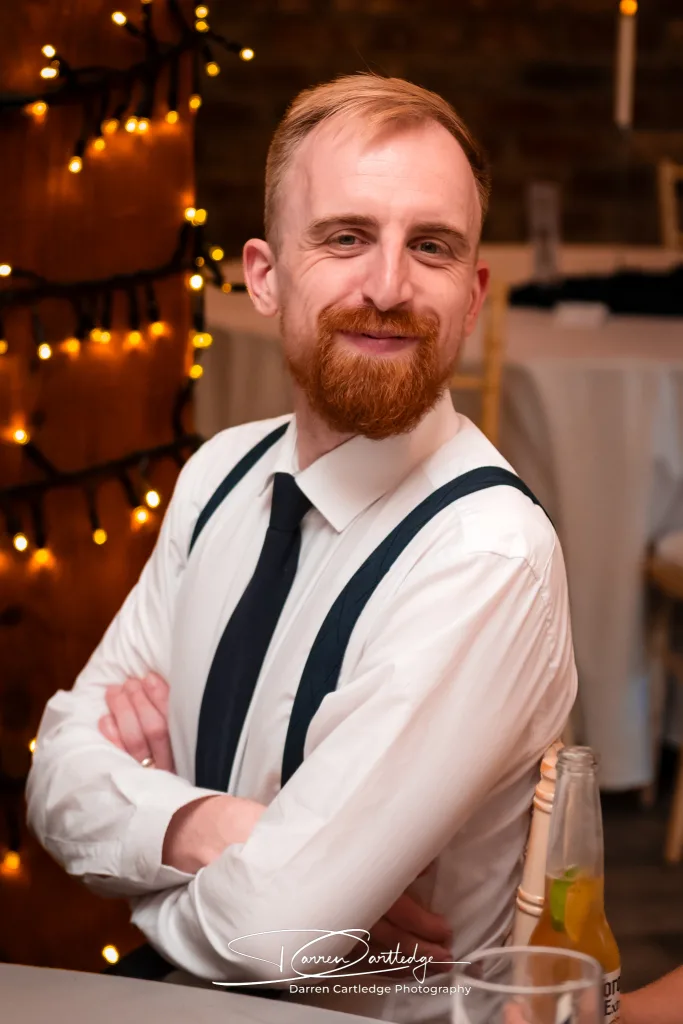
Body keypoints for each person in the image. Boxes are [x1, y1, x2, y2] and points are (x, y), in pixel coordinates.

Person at [26, 73, 577, 1022]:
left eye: (431, 247)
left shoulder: (485, 556)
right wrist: (218, 828)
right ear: (264, 275)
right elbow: (54, 776)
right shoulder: (220, 476)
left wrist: (139, 843)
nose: (388, 287)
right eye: (345, 237)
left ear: (472, 296)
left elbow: (275, 936)